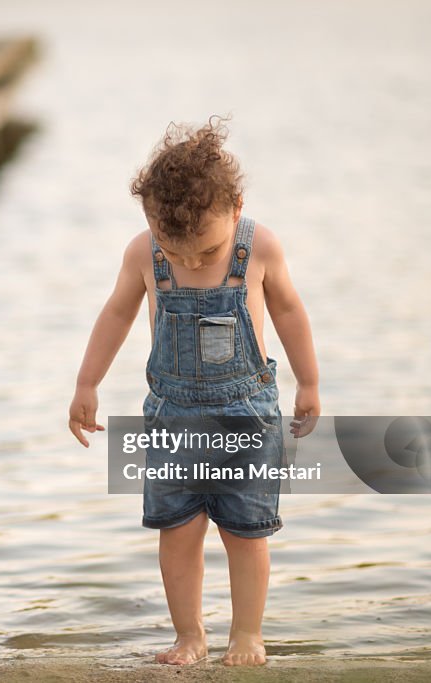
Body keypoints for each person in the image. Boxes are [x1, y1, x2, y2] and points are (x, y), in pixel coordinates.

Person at [68, 115, 320, 666]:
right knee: (177, 532)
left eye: (205, 252)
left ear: (235, 208)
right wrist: (88, 381)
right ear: (149, 221)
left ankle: (247, 635)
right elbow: (116, 314)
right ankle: (190, 636)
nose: (188, 262)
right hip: (172, 416)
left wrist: (309, 380)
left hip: (245, 418)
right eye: (173, 248)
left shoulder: (259, 249)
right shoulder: (143, 254)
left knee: (245, 532)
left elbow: (289, 311)